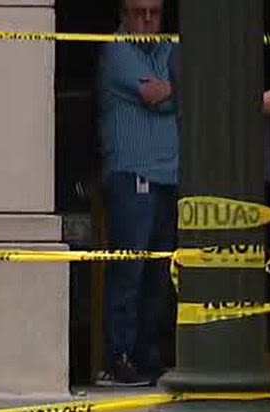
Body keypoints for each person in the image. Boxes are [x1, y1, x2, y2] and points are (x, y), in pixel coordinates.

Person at [96, 0, 178, 387]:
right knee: (129, 268)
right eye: (139, 12)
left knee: (160, 273)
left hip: (169, 175)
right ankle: (118, 356)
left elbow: (184, 92)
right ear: (123, 15)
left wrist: (173, 91)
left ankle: (149, 354)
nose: (147, 20)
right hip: (132, 172)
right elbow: (154, 96)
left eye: (154, 13)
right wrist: (174, 92)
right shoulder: (117, 50)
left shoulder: (169, 48)